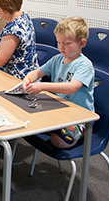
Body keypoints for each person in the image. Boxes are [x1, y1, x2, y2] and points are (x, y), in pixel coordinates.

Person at [22, 16, 94, 148]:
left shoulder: (84, 65)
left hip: (79, 117)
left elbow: (72, 87)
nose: (61, 47)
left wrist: (42, 86)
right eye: (59, 42)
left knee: (58, 141)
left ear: (81, 43)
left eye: (66, 43)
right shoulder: (57, 59)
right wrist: (28, 78)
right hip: (58, 109)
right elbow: (37, 72)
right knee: (26, 118)